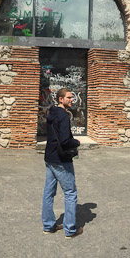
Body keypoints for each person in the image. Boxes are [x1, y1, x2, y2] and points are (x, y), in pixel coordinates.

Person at [41, 88, 82, 238]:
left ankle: (48, 226)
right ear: (60, 99)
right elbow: (65, 140)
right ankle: (70, 230)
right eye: (69, 97)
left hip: (50, 157)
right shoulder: (64, 116)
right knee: (70, 193)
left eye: (72, 97)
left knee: (48, 192)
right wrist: (76, 141)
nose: (72, 100)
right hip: (61, 159)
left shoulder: (52, 112)